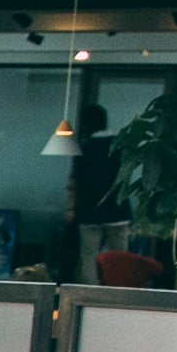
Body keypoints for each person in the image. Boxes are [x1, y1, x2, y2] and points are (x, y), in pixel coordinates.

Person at [68, 101, 126, 277]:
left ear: (86, 125)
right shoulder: (120, 146)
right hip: (117, 209)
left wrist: (71, 209)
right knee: (120, 257)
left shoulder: (84, 149)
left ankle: (89, 289)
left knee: (89, 256)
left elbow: (75, 181)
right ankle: (117, 288)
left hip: (90, 210)